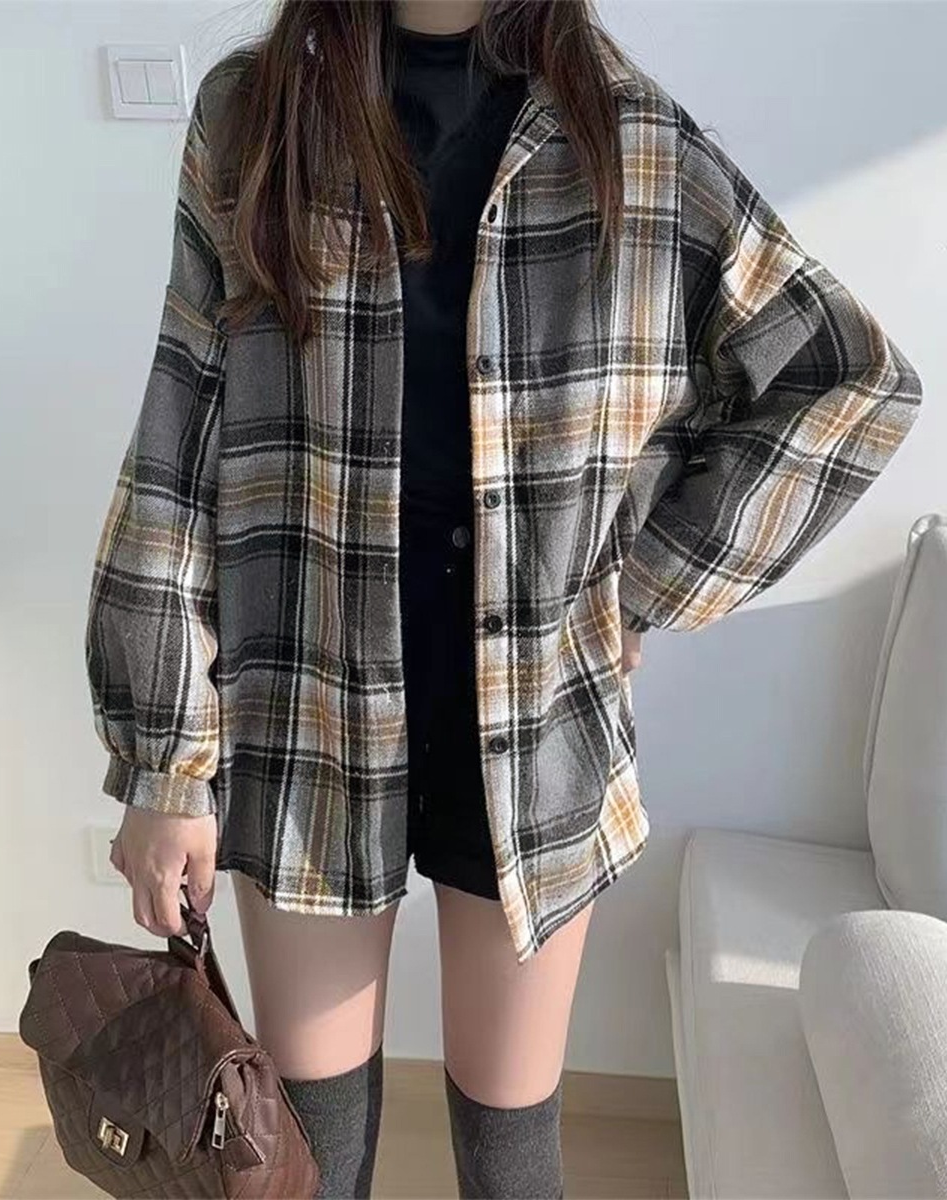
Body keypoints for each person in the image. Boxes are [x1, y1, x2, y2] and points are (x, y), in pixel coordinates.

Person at [87, 0, 923, 1195]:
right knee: (305, 1148)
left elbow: (848, 379)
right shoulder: (256, 113)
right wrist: (165, 763)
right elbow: (178, 440)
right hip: (311, 687)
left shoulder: (628, 135)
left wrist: (645, 584)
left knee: (509, 1144)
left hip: (535, 707)